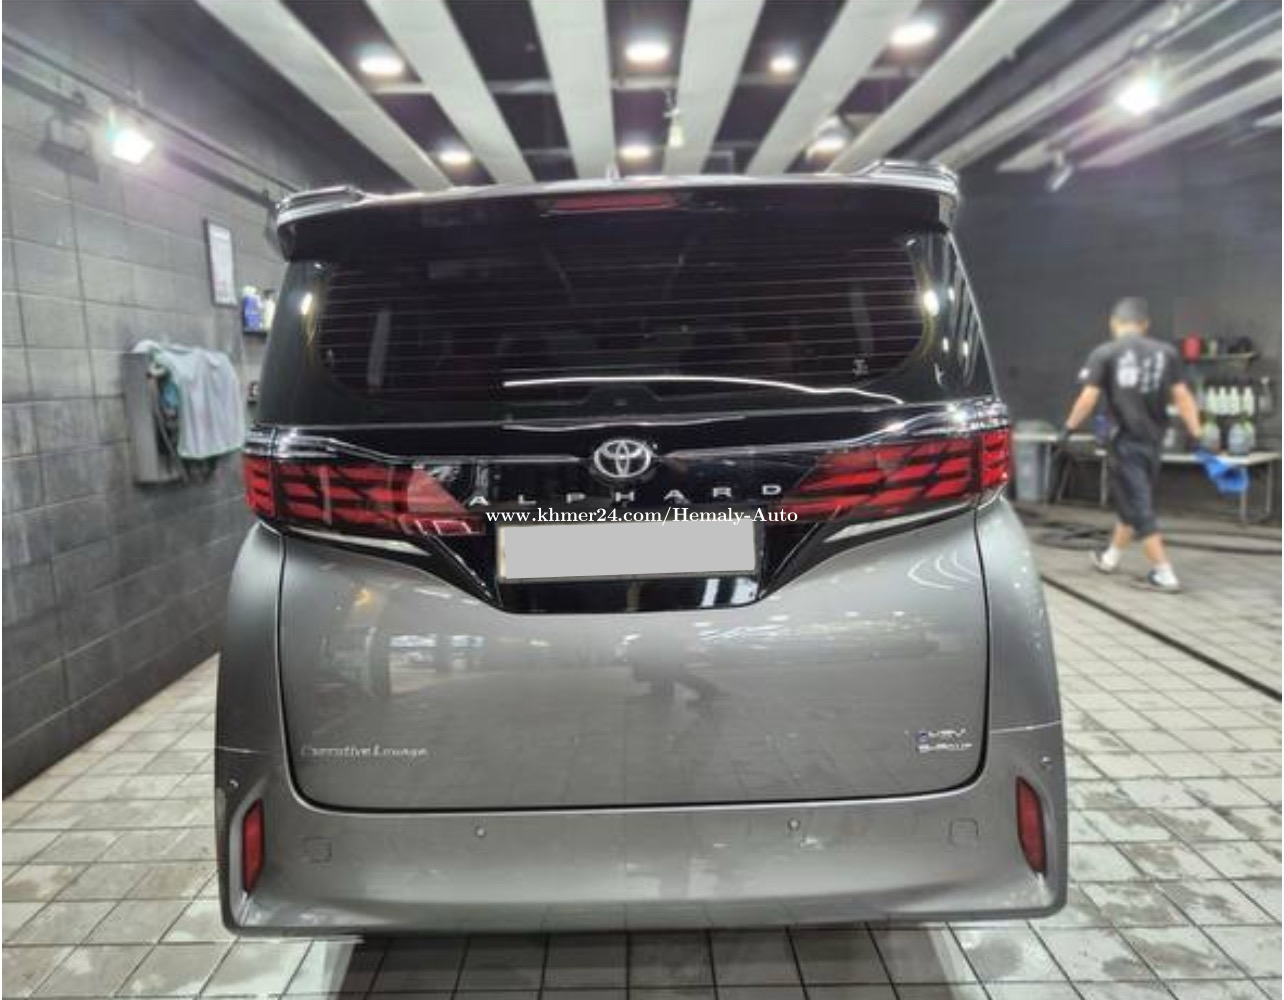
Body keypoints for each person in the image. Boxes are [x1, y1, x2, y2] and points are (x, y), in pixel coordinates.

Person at [1058, 297, 1204, 592]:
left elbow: (1088, 398)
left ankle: (1164, 573)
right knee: (1132, 500)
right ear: (1145, 324)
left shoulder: (1105, 353)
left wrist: (1068, 429)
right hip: (1154, 444)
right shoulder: (1166, 353)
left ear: (1114, 323)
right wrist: (1198, 435)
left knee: (1138, 506)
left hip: (1125, 443)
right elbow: (1183, 397)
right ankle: (1110, 558)